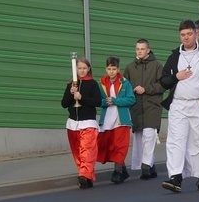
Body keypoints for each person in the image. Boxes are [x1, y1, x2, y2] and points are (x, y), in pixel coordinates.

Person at [160, 19, 199, 193]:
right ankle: (175, 177)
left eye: (189, 34)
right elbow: (164, 81)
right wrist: (176, 77)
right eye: (182, 35)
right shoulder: (175, 56)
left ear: (196, 34)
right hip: (179, 104)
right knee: (175, 141)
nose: (186, 38)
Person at [124, 39, 165, 180]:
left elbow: (163, 85)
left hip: (152, 105)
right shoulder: (130, 68)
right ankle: (151, 166)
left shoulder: (157, 66)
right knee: (139, 137)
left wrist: (146, 89)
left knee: (149, 134)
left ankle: (146, 166)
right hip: (136, 106)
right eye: (137, 49)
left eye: (142, 49)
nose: (140, 51)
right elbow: (125, 87)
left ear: (148, 50)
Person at [61, 56, 102, 189]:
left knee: (87, 151)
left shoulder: (93, 84)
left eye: (84, 68)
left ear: (89, 69)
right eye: (79, 68)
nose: (82, 71)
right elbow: (64, 104)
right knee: (78, 152)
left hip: (88, 122)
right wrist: (70, 93)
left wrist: (82, 98)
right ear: (75, 69)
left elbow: (97, 101)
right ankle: (86, 176)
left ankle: (84, 175)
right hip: (73, 123)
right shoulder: (71, 84)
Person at [97, 56, 136, 184]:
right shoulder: (102, 83)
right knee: (110, 145)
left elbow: (131, 99)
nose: (112, 71)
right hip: (107, 119)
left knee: (120, 145)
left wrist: (115, 100)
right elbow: (98, 101)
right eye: (109, 69)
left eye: (114, 69)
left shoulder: (125, 83)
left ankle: (118, 171)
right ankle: (123, 169)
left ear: (118, 69)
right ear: (106, 69)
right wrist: (105, 102)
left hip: (121, 118)